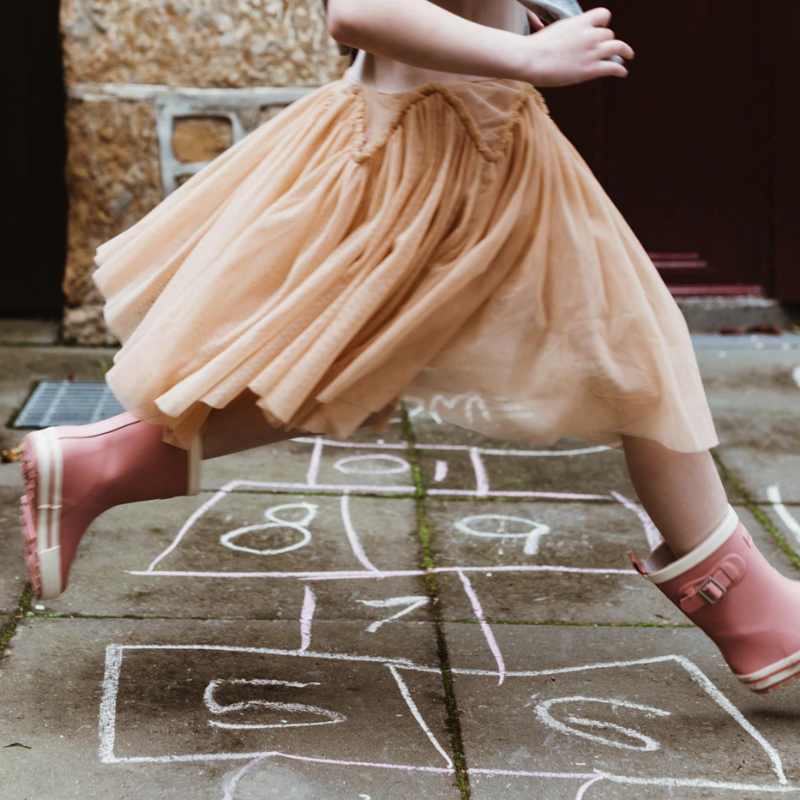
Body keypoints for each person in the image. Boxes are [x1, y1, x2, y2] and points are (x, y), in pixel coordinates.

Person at [19, 0, 799, 694]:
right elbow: (360, 9)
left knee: (348, 376)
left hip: (469, 135)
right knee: (627, 353)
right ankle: (762, 621)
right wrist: (529, 56)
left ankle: (95, 463)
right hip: (436, 150)